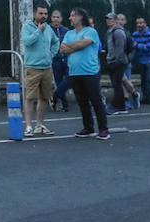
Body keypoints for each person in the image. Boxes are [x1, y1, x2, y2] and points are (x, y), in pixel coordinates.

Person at [59, 8, 108, 139]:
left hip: (90, 72)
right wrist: (75, 45)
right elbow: (62, 48)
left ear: (81, 17)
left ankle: (103, 129)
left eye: (73, 15)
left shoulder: (91, 31)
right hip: (75, 72)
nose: (70, 18)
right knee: (82, 102)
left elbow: (83, 43)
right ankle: (88, 127)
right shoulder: (69, 33)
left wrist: (72, 46)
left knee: (96, 100)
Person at [20, 3, 59, 137]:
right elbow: (27, 42)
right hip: (32, 67)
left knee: (44, 97)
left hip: (47, 68)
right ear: (34, 14)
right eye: (41, 13)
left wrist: (51, 54)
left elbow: (56, 41)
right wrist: (38, 31)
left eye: (45, 14)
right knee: (30, 97)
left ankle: (39, 125)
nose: (44, 16)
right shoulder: (27, 27)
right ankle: (29, 126)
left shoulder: (48, 28)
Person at [103, 13, 129, 114]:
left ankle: (115, 106)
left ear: (115, 20)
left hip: (117, 62)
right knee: (117, 84)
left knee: (117, 84)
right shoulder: (110, 31)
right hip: (113, 61)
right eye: (107, 19)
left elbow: (120, 48)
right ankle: (122, 106)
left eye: (110, 19)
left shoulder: (118, 32)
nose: (108, 21)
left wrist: (116, 61)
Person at [131, 16, 150, 104]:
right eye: (138, 23)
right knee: (143, 80)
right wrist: (141, 46)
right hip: (141, 59)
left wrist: (137, 45)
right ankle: (145, 97)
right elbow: (132, 45)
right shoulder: (135, 34)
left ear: (145, 24)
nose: (139, 25)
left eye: (141, 23)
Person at [49, 9, 71, 112]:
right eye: (54, 17)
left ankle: (55, 96)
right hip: (55, 59)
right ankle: (65, 104)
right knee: (58, 81)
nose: (56, 19)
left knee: (68, 80)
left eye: (58, 17)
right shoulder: (48, 29)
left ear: (61, 19)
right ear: (51, 18)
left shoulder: (66, 30)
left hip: (66, 58)